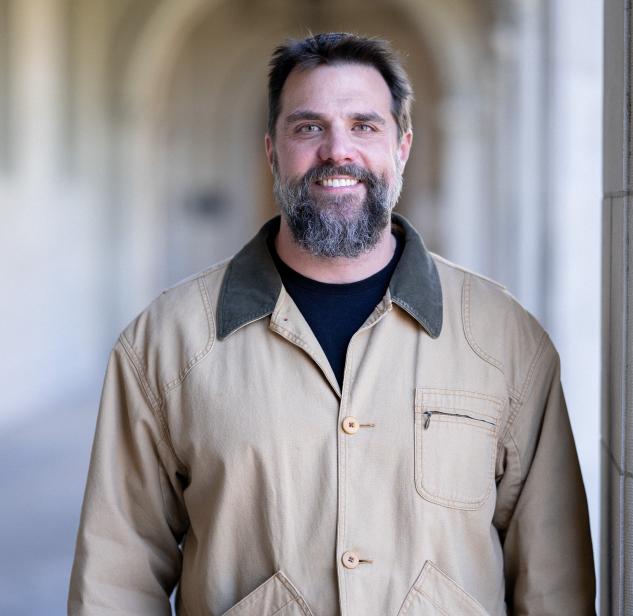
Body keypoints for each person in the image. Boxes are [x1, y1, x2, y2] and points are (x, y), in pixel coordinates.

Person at [69, 32, 595, 615]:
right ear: (272, 150)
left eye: (365, 126)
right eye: (308, 127)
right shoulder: (164, 344)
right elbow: (116, 580)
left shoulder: (505, 340)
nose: (337, 151)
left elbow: (554, 581)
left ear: (402, 148)